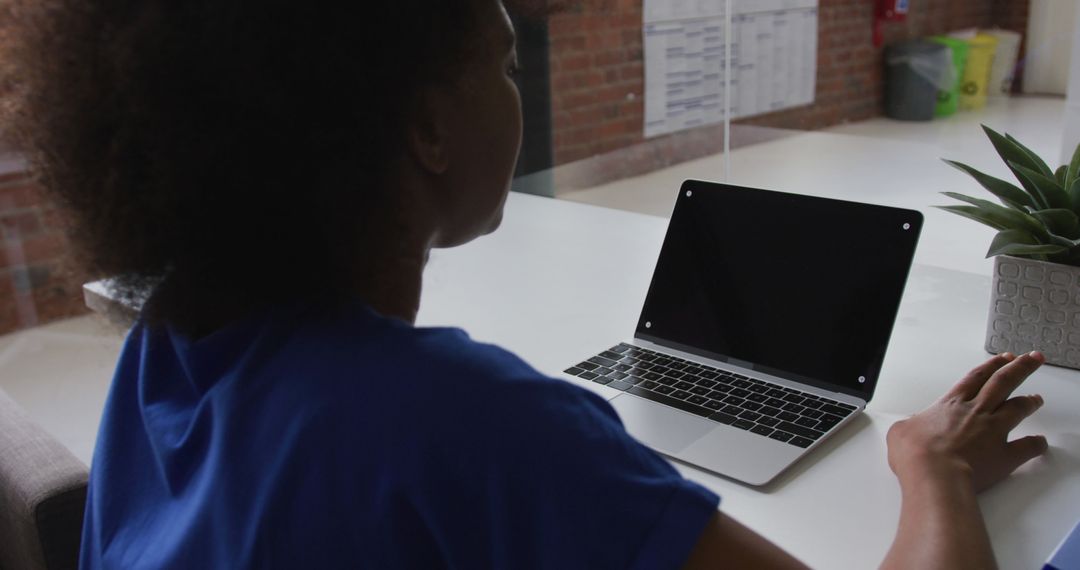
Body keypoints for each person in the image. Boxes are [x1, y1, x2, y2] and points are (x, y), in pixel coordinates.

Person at [3, 0, 1048, 568]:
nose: (515, 86)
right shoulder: (462, 421)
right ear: (425, 128)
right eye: (502, 62)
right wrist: (933, 472)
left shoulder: (167, 349)